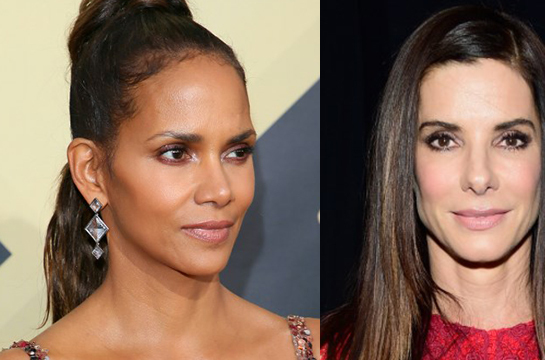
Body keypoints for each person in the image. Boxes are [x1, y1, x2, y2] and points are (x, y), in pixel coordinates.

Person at [0, 0, 318, 359]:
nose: (221, 190)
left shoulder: (331, 347)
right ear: (91, 171)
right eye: (176, 153)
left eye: (237, 152)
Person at [321, 5, 545, 360]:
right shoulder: (328, 351)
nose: (478, 176)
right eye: (443, 140)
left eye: (510, 139)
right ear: (403, 163)